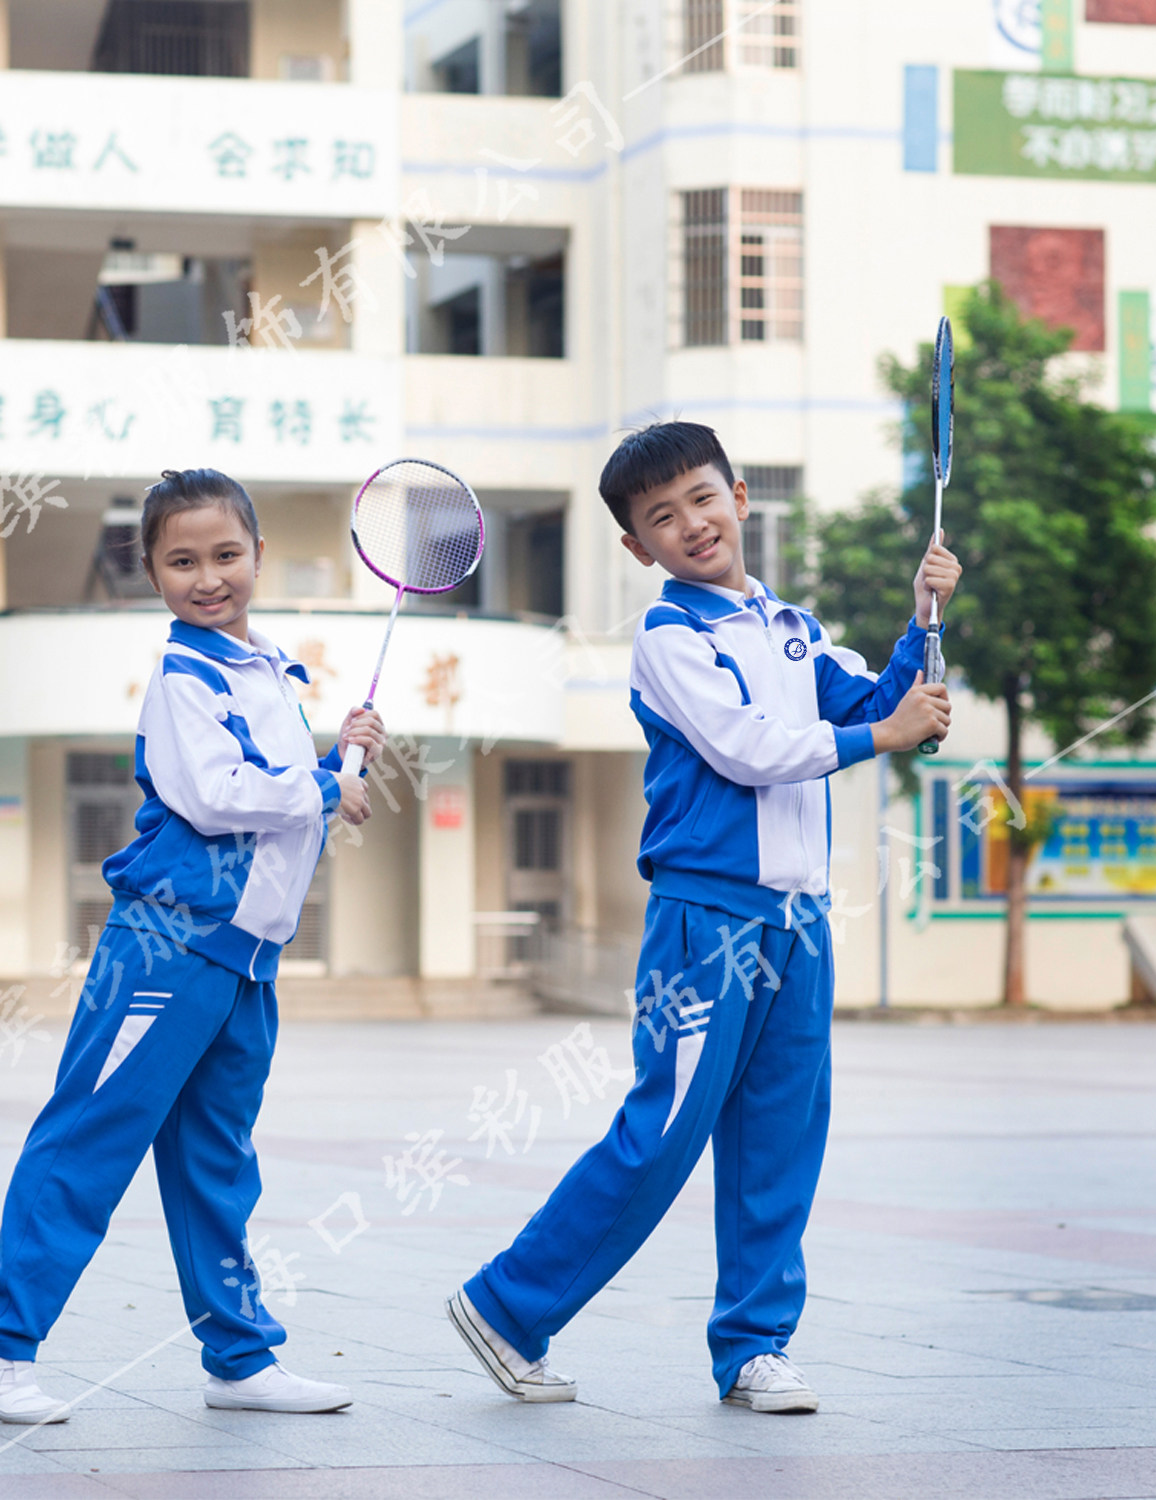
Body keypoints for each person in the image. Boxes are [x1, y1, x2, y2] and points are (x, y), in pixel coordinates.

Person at [448, 422, 960, 1414]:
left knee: (780, 1138)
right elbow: (751, 747)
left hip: (798, 923)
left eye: (702, 497)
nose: (691, 523)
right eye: (661, 516)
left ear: (740, 496)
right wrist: (881, 734)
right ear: (638, 547)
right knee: (663, 1134)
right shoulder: (668, 638)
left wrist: (921, 623)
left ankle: (756, 1348)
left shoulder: (792, 629)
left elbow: (877, 702)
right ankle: (508, 1307)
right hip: (708, 918)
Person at [0, 468, 384, 1423]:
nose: (208, 576)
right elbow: (215, 795)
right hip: (167, 948)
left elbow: (274, 791)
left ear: (259, 557)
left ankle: (239, 1358)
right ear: (150, 571)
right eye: (182, 560)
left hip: (244, 960)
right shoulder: (184, 678)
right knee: (93, 1137)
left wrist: (336, 755)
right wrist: (319, 787)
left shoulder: (263, 667)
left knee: (216, 1162)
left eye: (226, 555)